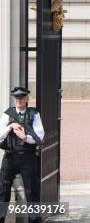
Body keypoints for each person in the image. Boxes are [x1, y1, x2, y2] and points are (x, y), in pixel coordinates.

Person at [0, 87, 45, 223]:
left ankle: (34, 219)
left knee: (32, 190)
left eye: (22, 97)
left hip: (28, 156)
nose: (19, 100)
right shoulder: (8, 114)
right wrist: (10, 126)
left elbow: (40, 137)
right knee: (3, 190)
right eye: (17, 98)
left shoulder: (34, 114)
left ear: (27, 99)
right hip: (10, 156)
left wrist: (25, 138)